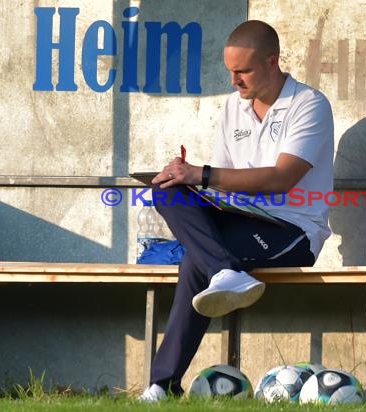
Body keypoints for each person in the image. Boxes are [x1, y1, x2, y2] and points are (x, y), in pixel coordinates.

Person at [139, 19, 334, 402]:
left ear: (272, 61)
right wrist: (188, 180)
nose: (234, 81)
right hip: (238, 219)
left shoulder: (309, 104)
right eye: (230, 71)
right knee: (165, 191)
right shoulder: (233, 107)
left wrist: (201, 173)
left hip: (291, 229)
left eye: (242, 71)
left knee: (197, 260)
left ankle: (161, 386)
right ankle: (225, 271)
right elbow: (222, 184)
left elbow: (282, 178)